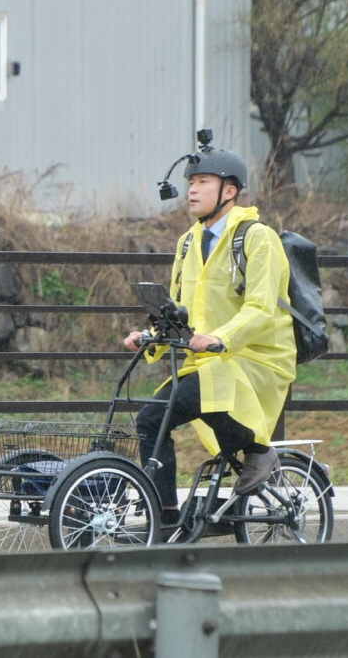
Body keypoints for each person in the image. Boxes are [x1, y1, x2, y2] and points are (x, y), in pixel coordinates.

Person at [124, 143, 296, 527]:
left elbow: (262, 308)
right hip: (209, 362)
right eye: (190, 183)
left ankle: (259, 449)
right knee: (151, 418)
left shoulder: (257, 238)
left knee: (201, 397)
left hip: (254, 359)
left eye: (202, 181)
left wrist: (221, 338)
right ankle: (163, 513)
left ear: (229, 191)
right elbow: (176, 310)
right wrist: (149, 337)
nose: (192, 190)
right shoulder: (188, 243)